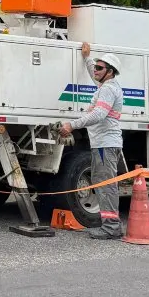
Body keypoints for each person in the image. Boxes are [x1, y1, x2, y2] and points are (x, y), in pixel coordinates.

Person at [59, 42, 126, 240]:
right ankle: (110, 225)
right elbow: (95, 76)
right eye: (95, 67)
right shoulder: (107, 85)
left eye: (99, 68)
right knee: (102, 183)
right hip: (103, 143)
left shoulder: (108, 89)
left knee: (106, 185)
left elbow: (99, 114)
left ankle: (112, 226)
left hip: (106, 143)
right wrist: (88, 59)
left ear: (110, 72)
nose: (95, 70)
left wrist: (72, 125)